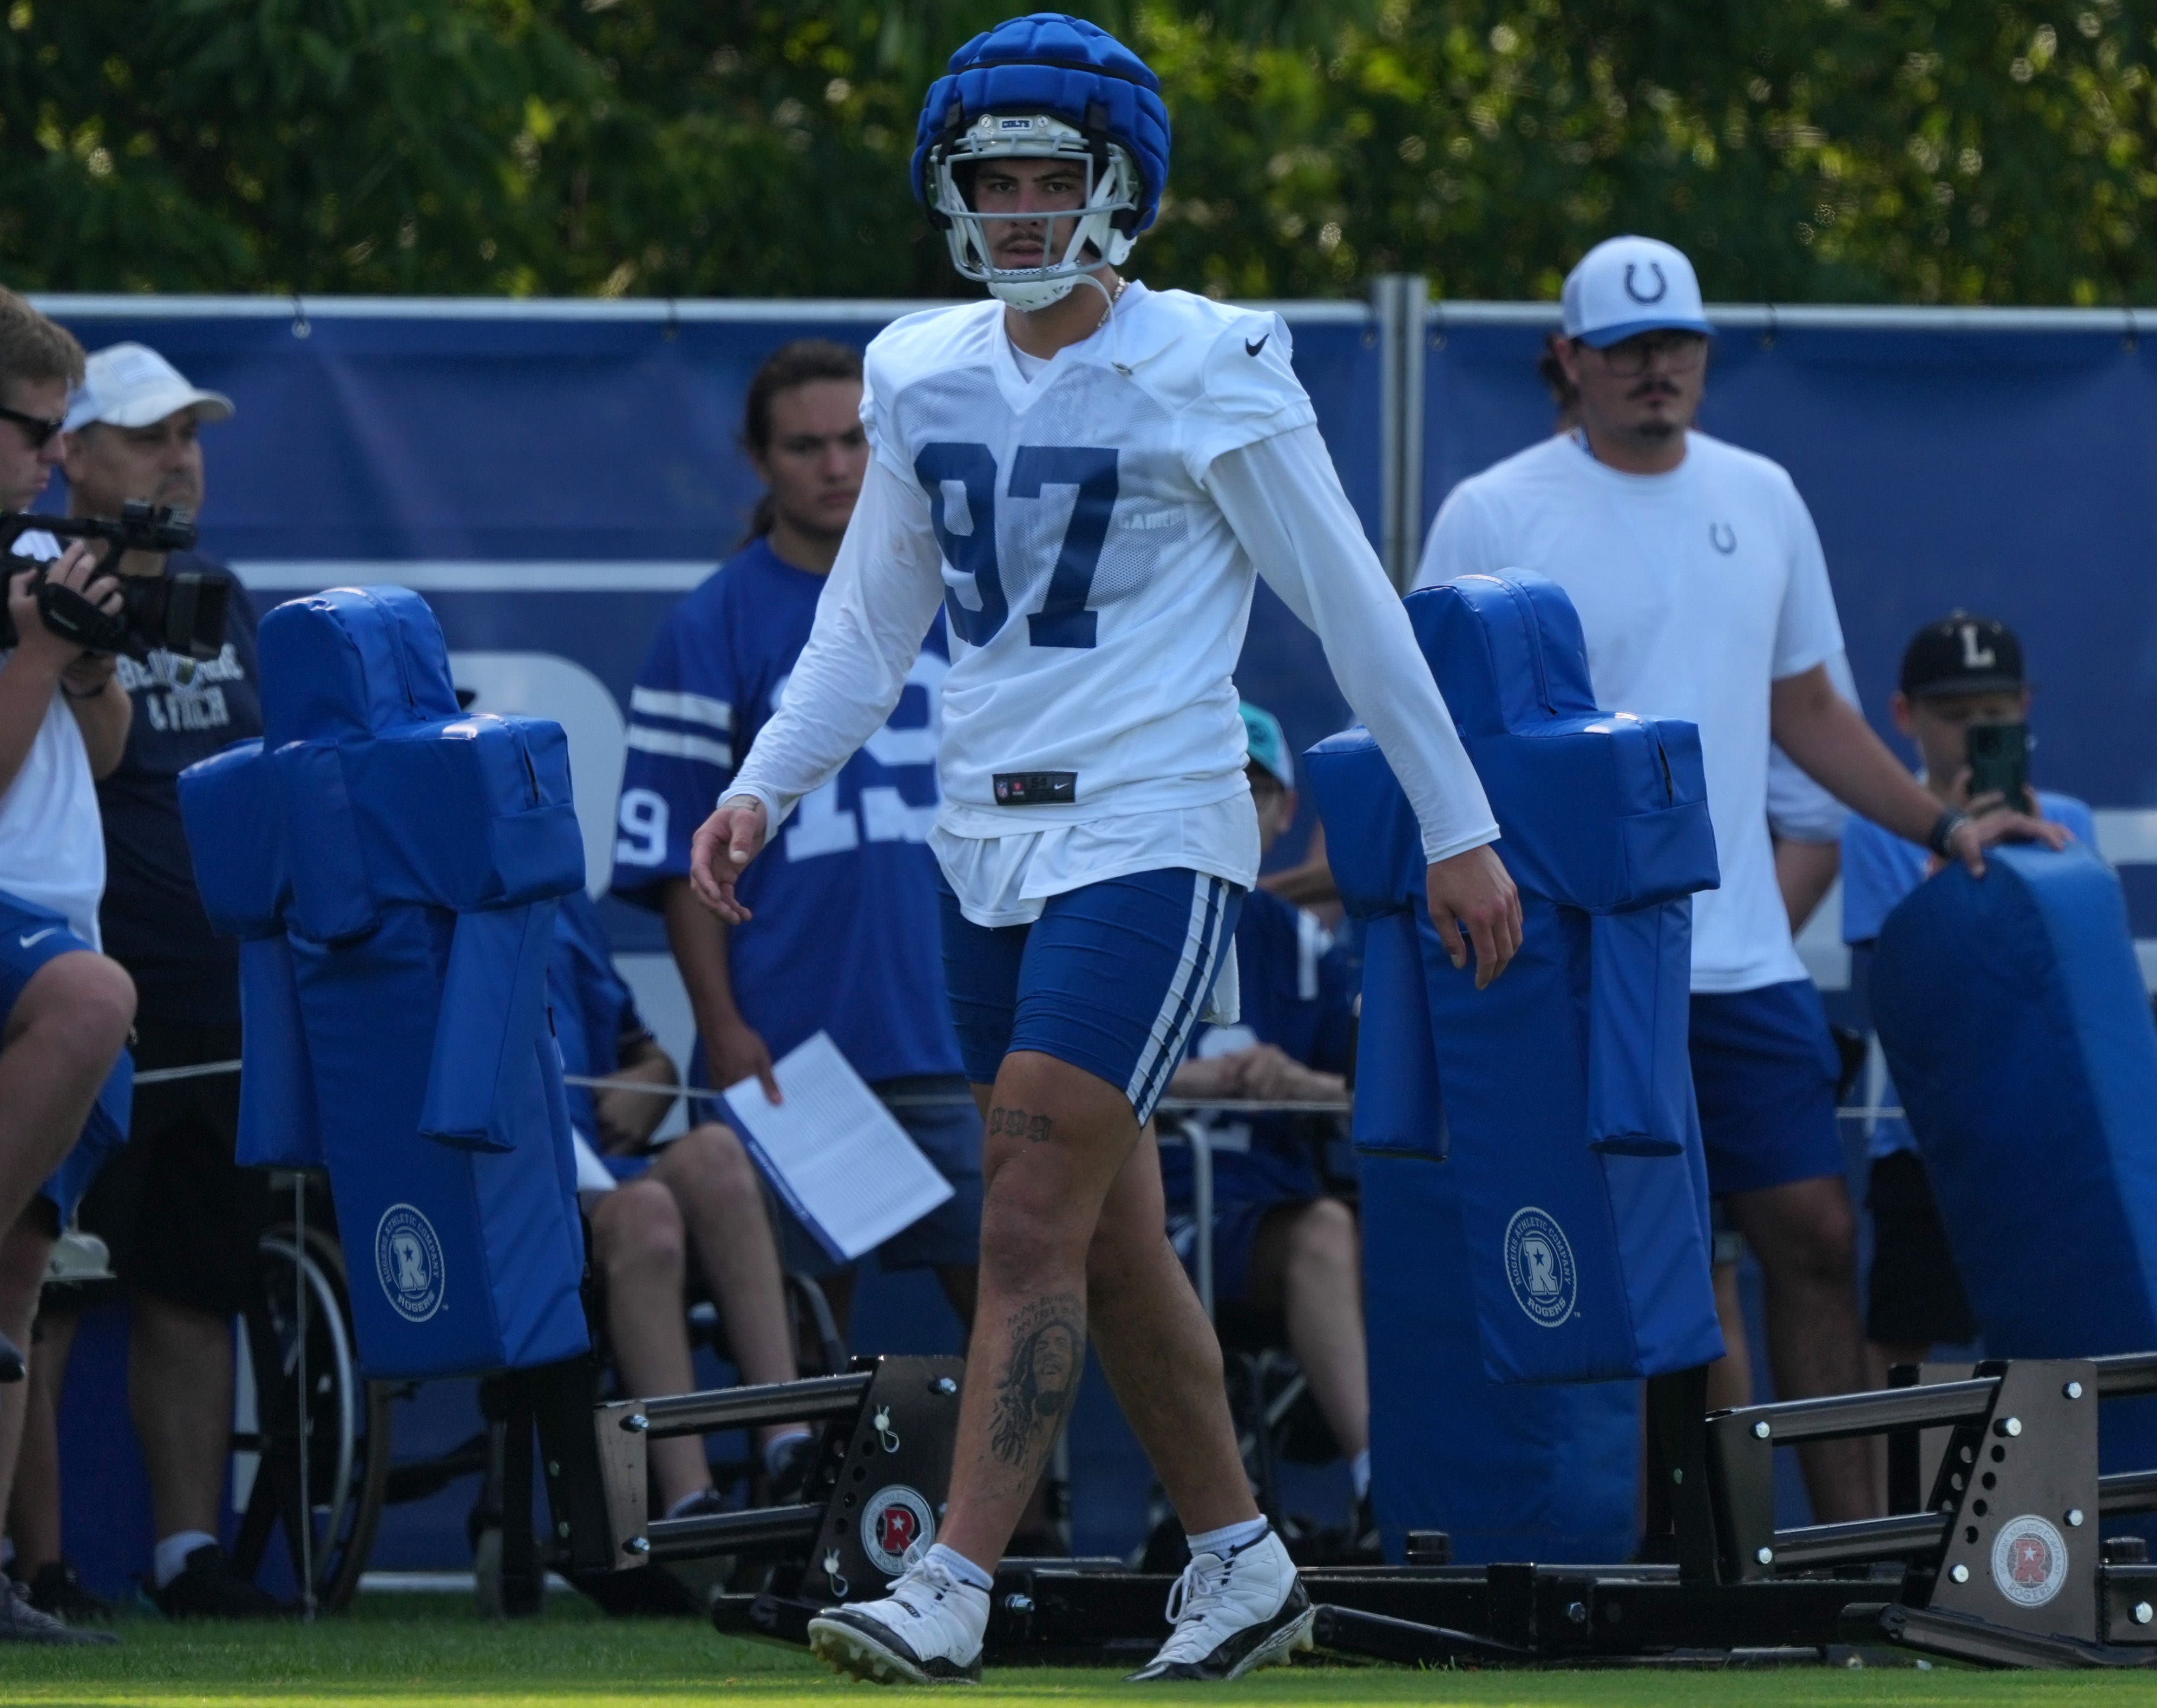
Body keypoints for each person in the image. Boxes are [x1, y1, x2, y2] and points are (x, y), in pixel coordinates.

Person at [689, 15, 1518, 1685]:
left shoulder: (1205, 358)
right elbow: (869, 622)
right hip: (977, 838)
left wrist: (1456, 822)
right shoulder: (917, 368)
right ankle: (1239, 1555)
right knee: (1105, 1230)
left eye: (1045, 173)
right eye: (986, 174)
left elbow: (1348, 602)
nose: (1010, 205)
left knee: (1020, 1203)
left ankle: (952, 1581)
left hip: (1147, 821)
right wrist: (766, 782)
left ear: (1117, 185)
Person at [1414, 234, 2062, 1524]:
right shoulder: (1491, 510)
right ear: (1571, 359)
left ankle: (1851, 1550)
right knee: (1619, 1270)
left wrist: (1944, 828)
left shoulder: (1762, 494)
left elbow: (1810, 707)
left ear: (1706, 354)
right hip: (1573, 965)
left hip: (1742, 961)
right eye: (1628, 347)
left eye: (1679, 345)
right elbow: (1435, 727)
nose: (1657, 369)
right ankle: (1655, 1549)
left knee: (1813, 1238)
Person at [610, 339, 986, 1345]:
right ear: (759, 459)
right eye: (805, 446)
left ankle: (1026, 1512)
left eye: (855, 442)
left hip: (961, 1028)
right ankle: (819, 1503)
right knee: (809, 1328)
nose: (836, 467)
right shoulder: (712, 623)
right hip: (791, 1043)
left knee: (1019, 1304)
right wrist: (724, 1028)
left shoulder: (970, 599)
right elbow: (683, 866)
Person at [2, 341, 284, 1622]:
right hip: (77, 966)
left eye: (192, 431)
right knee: (43, 1271)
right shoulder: (35, 571)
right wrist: (51, 632)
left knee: (189, 1271)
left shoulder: (222, 597)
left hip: (208, 991)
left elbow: (125, 752)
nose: (179, 455)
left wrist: (92, 655)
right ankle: (42, 1553)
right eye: (144, 434)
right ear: (75, 458)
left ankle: (177, 1551)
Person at [1840, 614, 2094, 1385]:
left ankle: (2043, 1510)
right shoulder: (1877, 830)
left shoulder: (2067, 824)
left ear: (2024, 708)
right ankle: (1898, 1507)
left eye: (1993, 716)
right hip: (1923, 1142)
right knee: (1901, 1343)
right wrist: (1950, 844)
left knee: (2051, 1349)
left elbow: (2075, 981)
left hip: (2040, 1136)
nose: (1973, 734)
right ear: (1904, 717)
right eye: (1953, 717)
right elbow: (1908, 981)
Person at [0, 289, 134, 1644]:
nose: (57, 457)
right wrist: (40, 649)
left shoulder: (35, 546)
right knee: (97, 997)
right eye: (38, 430)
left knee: (23, 1272)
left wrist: (83, 667)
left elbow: (99, 757)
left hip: (51, 910)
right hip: (25, 938)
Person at [1159, 703, 1371, 1548]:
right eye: (1217, 779)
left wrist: (1301, 1083)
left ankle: (1400, 1488)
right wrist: (1194, 1080)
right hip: (1156, 1213)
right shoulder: (1130, 916)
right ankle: (1365, 1486)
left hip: (1267, 1210)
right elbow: (1063, 1072)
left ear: (1285, 814)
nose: (1237, 800)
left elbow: (1371, 1093)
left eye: (1256, 786)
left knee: (1357, 1231)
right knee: (1321, 1231)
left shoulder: (1300, 944)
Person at [545, 886, 811, 1518]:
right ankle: (688, 1499)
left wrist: (655, 1079)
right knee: (647, 1214)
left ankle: (791, 1446)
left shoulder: (555, 898)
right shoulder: (408, 912)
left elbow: (639, 1049)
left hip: (596, 1171)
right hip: (499, 1196)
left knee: (717, 1151)